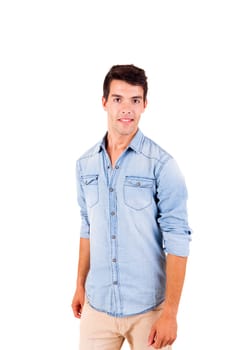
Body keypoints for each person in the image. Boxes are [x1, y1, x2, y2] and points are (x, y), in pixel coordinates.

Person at [71, 64, 192, 350]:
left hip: (149, 311)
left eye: (135, 100)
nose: (126, 109)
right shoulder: (84, 164)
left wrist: (170, 314)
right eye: (118, 99)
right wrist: (79, 284)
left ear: (144, 105)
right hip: (97, 305)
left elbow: (178, 238)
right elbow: (87, 225)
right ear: (104, 103)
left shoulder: (162, 165)